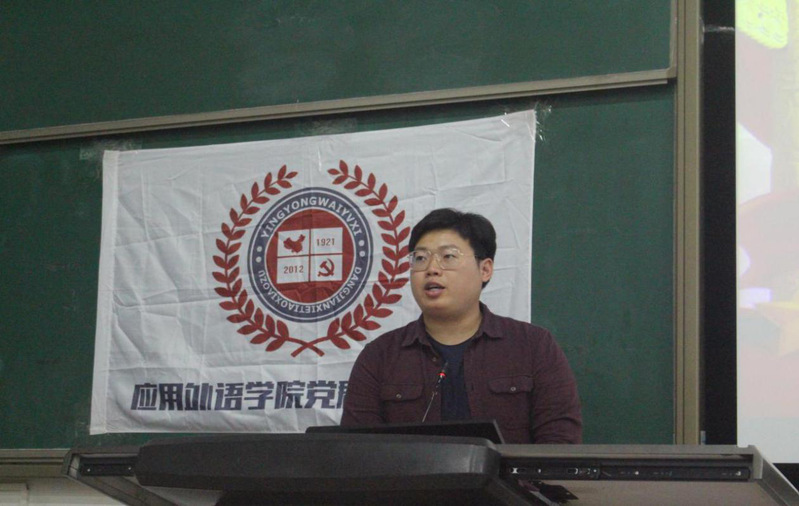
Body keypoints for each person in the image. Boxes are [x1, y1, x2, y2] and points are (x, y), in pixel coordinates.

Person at [341, 208, 582, 444]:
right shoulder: (380, 356)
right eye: (421, 258)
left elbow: (560, 446)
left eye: (448, 257)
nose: (432, 269)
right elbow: (357, 452)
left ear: (485, 269)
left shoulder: (533, 346)